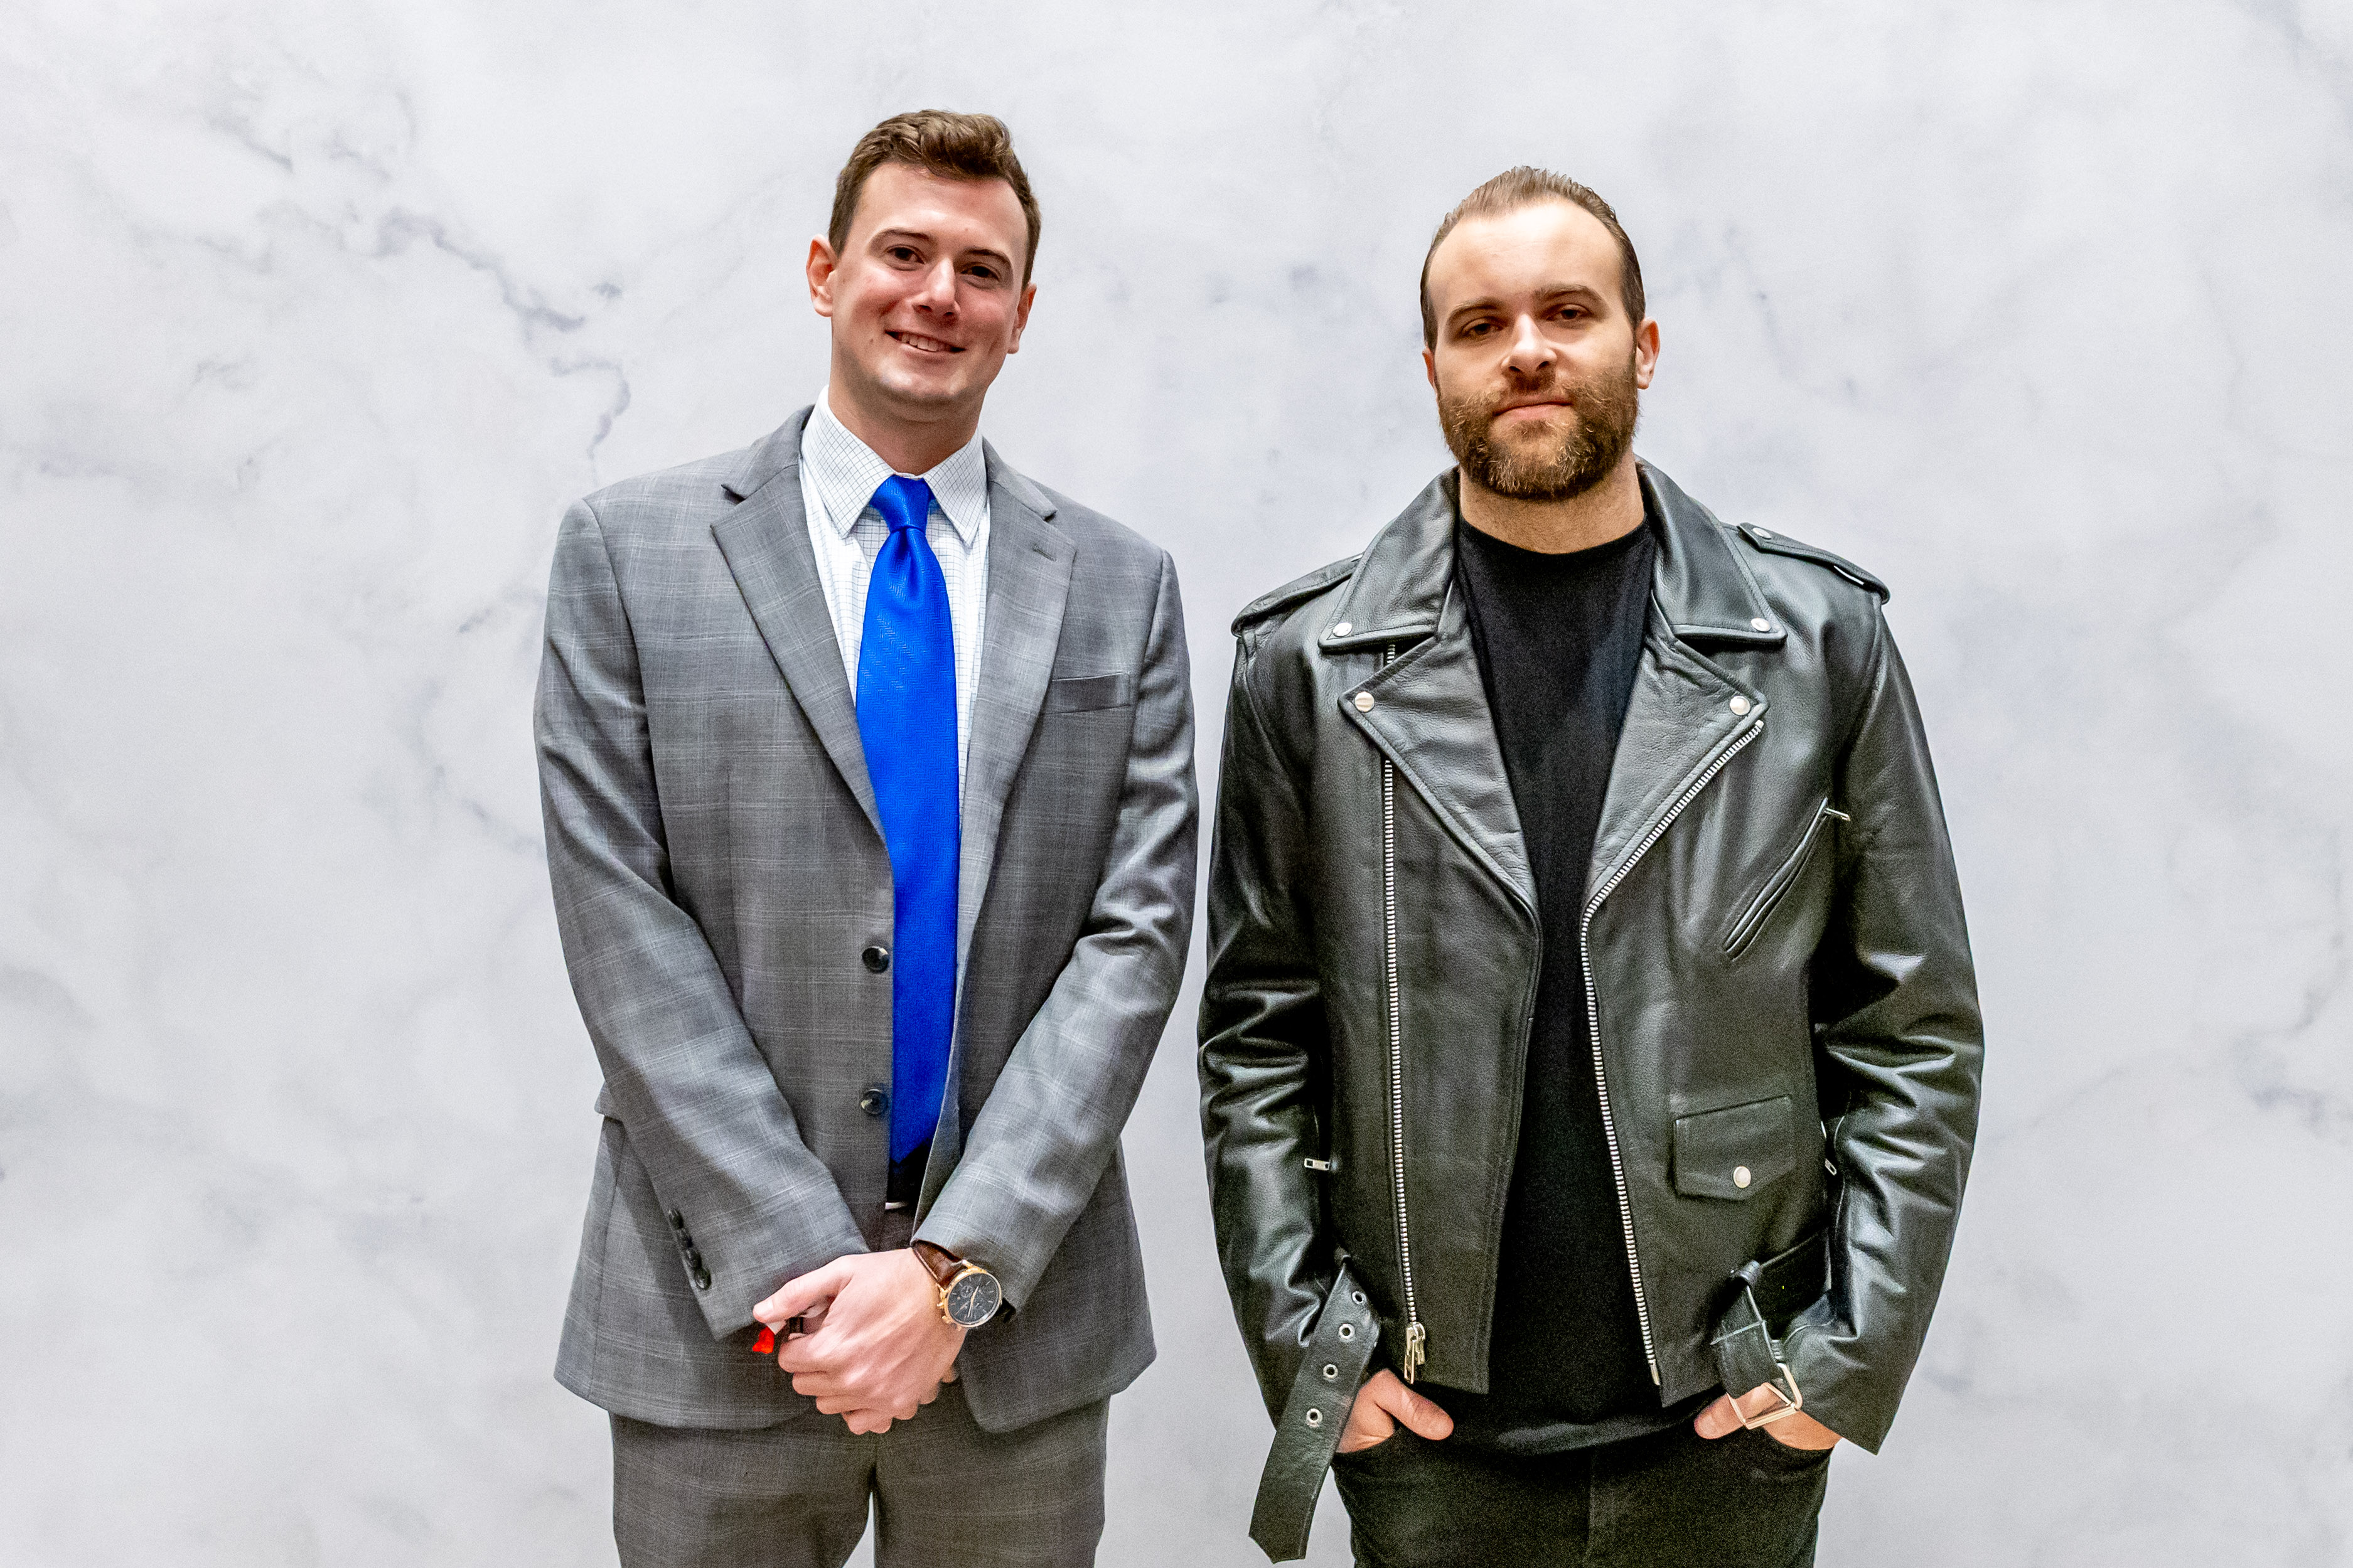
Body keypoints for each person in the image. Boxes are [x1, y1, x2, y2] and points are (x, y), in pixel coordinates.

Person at [1198, 167, 1983, 1567]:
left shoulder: (1815, 645)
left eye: (1568, 311)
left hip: (1730, 1417)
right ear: (1434, 366)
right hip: (1430, 1441)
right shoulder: (1306, 671)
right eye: (1480, 324)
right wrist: (1305, 1342)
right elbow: (1256, 1038)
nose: (1527, 351)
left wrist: (1842, 1362)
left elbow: (1912, 1029)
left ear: (1644, 343)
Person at [534, 109, 1196, 1568]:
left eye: (982, 269)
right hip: (719, 1308)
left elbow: (1137, 934)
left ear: (1023, 313)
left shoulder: (1124, 585)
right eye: (904, 251)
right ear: (826, 271)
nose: (938, 294)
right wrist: (801, 1264)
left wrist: (952, 1270)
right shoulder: (628, 554)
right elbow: (619, 917)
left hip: (1014, 1321)